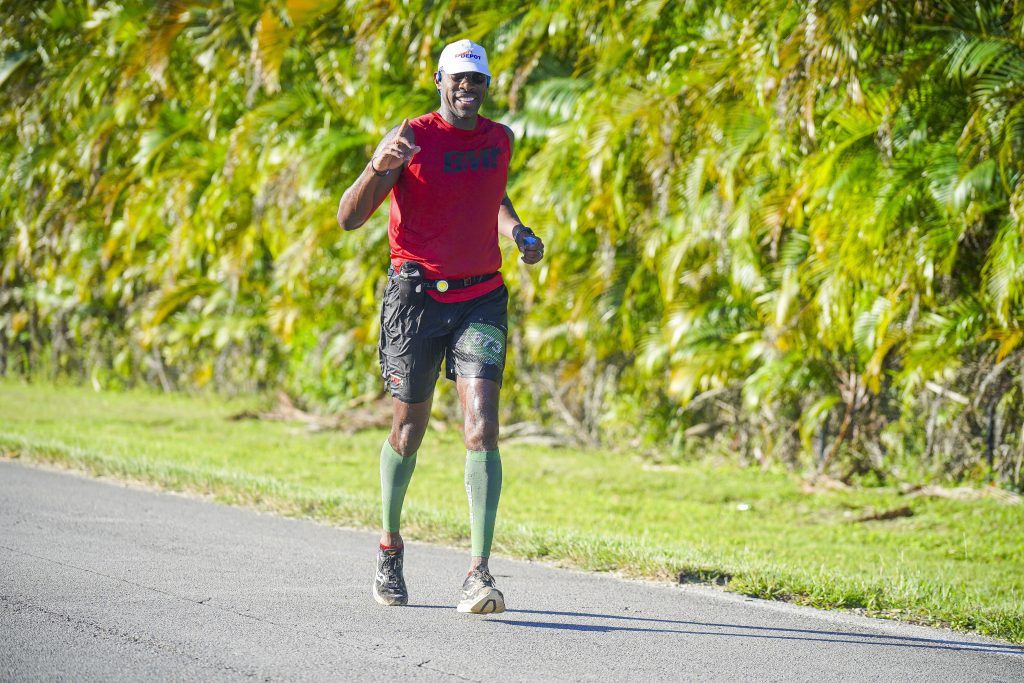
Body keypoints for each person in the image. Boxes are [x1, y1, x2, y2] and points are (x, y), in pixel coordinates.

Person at [336, 39, 544, 614]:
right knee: (408, 430)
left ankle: (478, 574)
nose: (467, 89)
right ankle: (389, 546)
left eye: (476, 80)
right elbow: (349, 218)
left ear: (485, 86)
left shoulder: (499, 139)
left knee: (482, 428)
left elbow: (491, 195)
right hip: (416, 298)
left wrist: (519, 232)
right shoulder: (411, 137)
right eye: (458, 79)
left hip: (481, 297)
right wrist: (380, 164)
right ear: (439, 80)